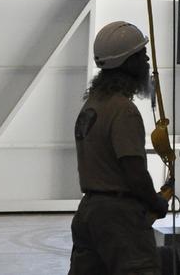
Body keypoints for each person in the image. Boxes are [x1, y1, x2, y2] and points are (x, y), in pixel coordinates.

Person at [69, 21, 170, 275]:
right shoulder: (124, 111)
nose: (147, 62)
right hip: (119, 219)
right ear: (127, 63)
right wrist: (155, 201)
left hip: (89, 212)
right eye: (142, 56)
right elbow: (133, 172)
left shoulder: (92, 105)